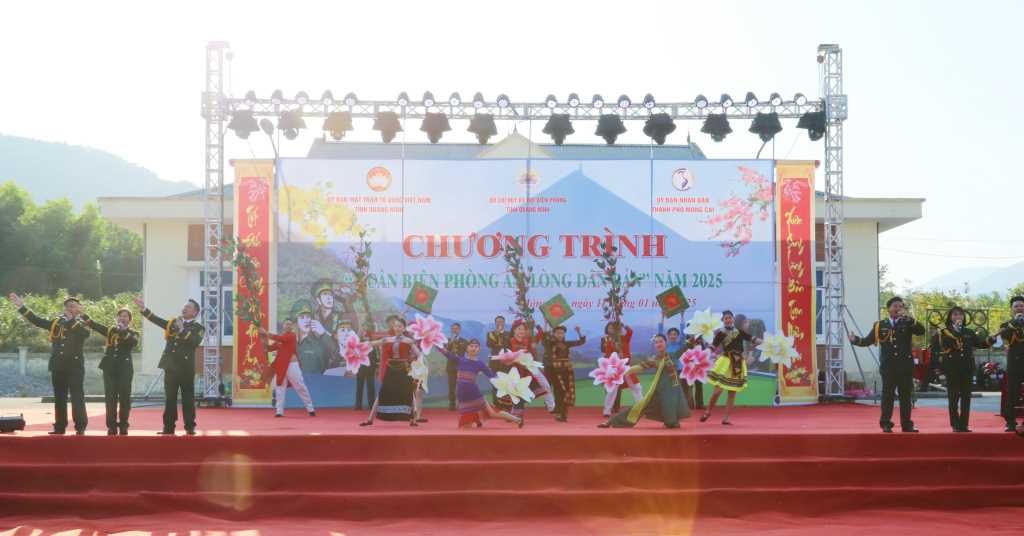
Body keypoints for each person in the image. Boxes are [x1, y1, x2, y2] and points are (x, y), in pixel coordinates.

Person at [8, 294, 91, 435]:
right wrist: (22, 307)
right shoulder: (57, 322)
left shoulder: (82, 323)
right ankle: (60, 427)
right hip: (58, 366)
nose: (70, 308)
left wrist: (71, 320)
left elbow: (85, 334)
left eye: (73, 306)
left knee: (77, 397)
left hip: (75, 366)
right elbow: (38, 321)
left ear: (79, 309)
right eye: (67, 306)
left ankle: (80, 427)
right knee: (59, 397)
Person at [849, 296, 925, 433]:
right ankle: (886, 423)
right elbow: (867, 341)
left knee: (905, 396)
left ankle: (907, 424)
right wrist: (855, 340)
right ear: (888, 309)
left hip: (905, 366)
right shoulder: (880, 325)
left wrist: (910, 318)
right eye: (895, 306)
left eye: (901, 306)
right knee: (887, 396)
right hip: (889, 366)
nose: (898, 308)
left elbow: (921, 331)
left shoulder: (907, 322)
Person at [134, 295, 206, 435]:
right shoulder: (173, 323)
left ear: (195, 312)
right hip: (171, 366)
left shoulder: (199, 328)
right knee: (169, 398)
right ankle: (168, 427)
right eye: (184, 306)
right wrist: (143, 309)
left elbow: (194, 342)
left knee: (188, 398)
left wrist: (182, 330)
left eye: (188, 307)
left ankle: (190, 427)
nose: (184, 308)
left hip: (185, 367)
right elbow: (157, 320)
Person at [599, 335, 690, 429]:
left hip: (674, 389)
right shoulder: (655, 359)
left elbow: (686, 346)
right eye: (656, 342)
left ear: (665, 343)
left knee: (672, 412)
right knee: (639, 406)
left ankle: (671, 422)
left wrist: (694, 339)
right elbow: (640, 367)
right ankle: (611, 421)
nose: (658, 344)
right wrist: (623, 371)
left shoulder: (673, 355)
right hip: (660, 390)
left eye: (660, 341)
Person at [931, 306, 990, 432]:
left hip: (967, 367)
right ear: (950, 317)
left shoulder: (968, 332)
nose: (958, 317)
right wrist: (937, 367)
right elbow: (938, 347)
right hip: (952, 368)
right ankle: (955, 424)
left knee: (966, 397)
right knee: (953, 396)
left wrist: (991, 340)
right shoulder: (943, 331)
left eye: (960, 314)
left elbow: (979, 344)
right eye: (955, 314)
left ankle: (964, 424)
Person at [440, 339, 523, 428]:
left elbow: (492, 376)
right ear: (467, 348)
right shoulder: (460, 360)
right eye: (471, 346)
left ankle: (517, 419)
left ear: (479, 350)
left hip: (474, 394)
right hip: (462, 395)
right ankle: (477, 421)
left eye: (476, 347)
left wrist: (507, 384)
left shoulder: (480, 364)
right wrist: (434, 342)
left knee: (492, 413)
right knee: (467, 425)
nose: (473, 348)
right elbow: (447, 353)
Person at [361, 315, 423, 427]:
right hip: (391, 370)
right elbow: (371, 344)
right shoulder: (387, 339)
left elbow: (419, 355)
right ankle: (370, 418)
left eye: (400, 326)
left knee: (409, 393)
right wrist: (357, 345)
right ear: (393, 327)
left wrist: (417, 366)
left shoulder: (409, 341)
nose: (397, 328)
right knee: (382, 392)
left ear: (404, 328)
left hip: (404, 369)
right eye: (396, 326)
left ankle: (413, 420)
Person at [83, 307, 138, 435]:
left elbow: (132, 342)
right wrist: (84, 316)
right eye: (120, 316)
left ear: (129, 320)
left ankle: (123, 425)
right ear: (117, 318)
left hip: (125, 369)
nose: (122, 318)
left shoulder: (133, 333)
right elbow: (96, 326)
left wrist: (123, 331)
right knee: (110, 398)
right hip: (109, 368)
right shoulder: (111, 330)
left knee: (125, 398)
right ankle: (111, 426)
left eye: (125, 316)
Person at [701, 310, 762, 425]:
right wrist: (705, 353)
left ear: (733, 319)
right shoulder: (720, 333)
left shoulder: (739, 332)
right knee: (717, 391)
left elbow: (752, 339)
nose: (728, 320)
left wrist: (766, 343)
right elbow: (713, 346)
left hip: (737, 363)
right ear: (723, 321)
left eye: (730, 317)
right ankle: (708, 411)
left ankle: (726, 418)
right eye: (726, 318)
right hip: (725, 362)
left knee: (732, 392)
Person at [260, 318, 316, 418]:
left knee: (300, 386)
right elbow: (269, 348)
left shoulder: (292, 336)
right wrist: (263, 340)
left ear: (292, 327)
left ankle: (310, 409)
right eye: (286, 324)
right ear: (283, 326)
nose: (288, 326)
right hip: (281, 366)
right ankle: (279, 411)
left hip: (292, 366)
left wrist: (266, 333)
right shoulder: (280, 339)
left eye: (290, 324)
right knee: (280, 388)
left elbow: (280, 339)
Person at [506, 319, 555, 412]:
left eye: (523, 329)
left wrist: (544, 323)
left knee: (545, 384)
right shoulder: (509, 341)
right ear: (514, 330)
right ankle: (513, 411)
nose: (521, 331)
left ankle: (551, 406)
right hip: (517, 368)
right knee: (516, 390)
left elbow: (540, 335)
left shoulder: (528, 340)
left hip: (530, 366)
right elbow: (506, 356)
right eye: (519, 329)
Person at [991, 295, 1024, 432]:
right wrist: (1016, 322)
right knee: (1012, 392)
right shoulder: (1005, 325)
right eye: (1016, 306)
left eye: (1021, 305)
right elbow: (1004, 336)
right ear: (1011, 309)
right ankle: (1010, 422)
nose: (1019, 308)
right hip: (1014, 363)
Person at [541, 325, 585, 422]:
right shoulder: (550, 343)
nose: (560, 335)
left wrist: (579, 331)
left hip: (566, 370)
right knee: (558, 391)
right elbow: (544, 339)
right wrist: (546, 324)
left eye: (562, 333)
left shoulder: (566, 343)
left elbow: (581, 342)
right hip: (555, 371)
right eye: (558, 333)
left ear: (564, 334)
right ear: (554, 334)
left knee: (565, 391)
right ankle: (560, 412)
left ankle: (563, 413)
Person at [601, 321, 643, 417]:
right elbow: (608, 354)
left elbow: (629, 332)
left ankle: (641, 407)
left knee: (636, 386)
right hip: (615, 368)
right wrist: (616, 355)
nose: (612, 329)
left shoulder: (624, 338)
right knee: (612, 390)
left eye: (614, 328)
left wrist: (622, 324)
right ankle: (607, 410)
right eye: (610, 328)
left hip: (626, 366)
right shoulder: (607, 340)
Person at [292, 299, 333, 374]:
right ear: (296, 322)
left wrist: (323, 334)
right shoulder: (291, 343)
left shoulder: (319, 343)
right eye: (302, 317)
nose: (306, 320)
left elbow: (336, 354)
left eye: (308, 317)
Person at [354, 324, 379, 410]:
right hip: (360, 368)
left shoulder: (372, 342)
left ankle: (371, 405)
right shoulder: (358, 341)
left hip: (370, 367)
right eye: (362, 329)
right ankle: (358, 405)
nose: (364, 331)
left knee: (371, 387)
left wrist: (376, 366)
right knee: (359, 387)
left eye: (366, 329)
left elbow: (376, 355)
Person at [486, 315, 509, 402]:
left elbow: (509, 345)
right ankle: (496, 403)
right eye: (498, 322)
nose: (499, 323)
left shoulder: (509, 334)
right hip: (495, 362)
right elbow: (489, 344)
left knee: (505, 383)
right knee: (495, 383)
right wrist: (497, 334)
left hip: (506, 362)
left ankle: (505, 403)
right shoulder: (490, 334)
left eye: (501, 321)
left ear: (504, 323)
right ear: (495, 323)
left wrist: (501, 335)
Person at [445, 322, 469, 411]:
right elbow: (445, 352)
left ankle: (462, 403)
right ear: (451, 330)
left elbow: (468, 353)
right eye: (453, 329)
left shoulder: (464, 341)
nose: (455, 330)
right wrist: (450, 342)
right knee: (451, 386)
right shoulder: (447, 340)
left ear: (459, 330)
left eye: (456, 328)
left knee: (462, 386)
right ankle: (452, 403)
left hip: (461, 366)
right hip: (451, 366)